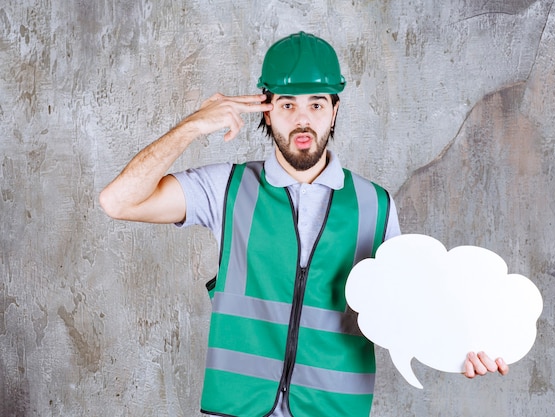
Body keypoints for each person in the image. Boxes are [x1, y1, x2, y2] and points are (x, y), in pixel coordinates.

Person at [100, 32, 508, 417]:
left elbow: (409, 310)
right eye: (288, 104)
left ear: (335, 110)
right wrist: (192, 125)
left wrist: (462, 348)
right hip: (238, 407)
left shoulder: (375, 204)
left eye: (316, 104)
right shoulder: (226, 187)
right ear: (267, 108)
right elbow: (117, 201)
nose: (302, 120)